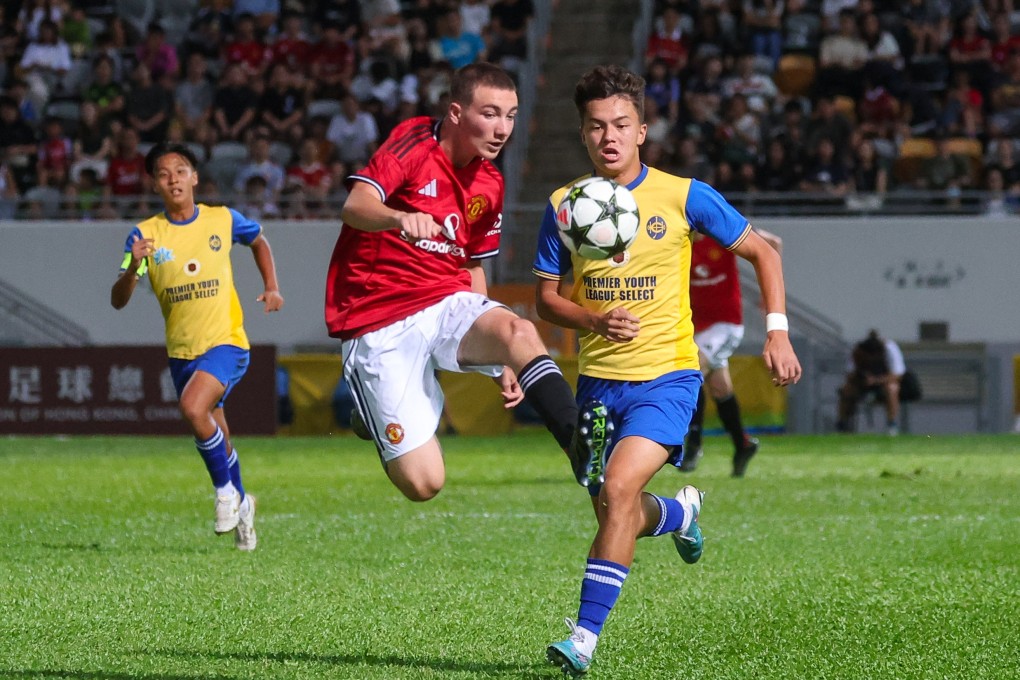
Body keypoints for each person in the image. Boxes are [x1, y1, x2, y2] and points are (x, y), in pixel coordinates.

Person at [531, 64, 801, 676]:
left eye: (620, 124)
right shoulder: (564, 206)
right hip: (598, 384)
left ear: (642, 130)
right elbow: (545, 298)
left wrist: (778, 333)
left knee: (618, 490)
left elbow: (763, 252)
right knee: (617, 509)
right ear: (582, 133)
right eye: (596, 126)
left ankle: (583, 639)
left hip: (669, 378)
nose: (609, 137)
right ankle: (679, 514)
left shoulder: (684, 196)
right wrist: (594, 319)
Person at [325, 62, 579, 504]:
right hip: (378, 316)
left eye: (511, 116)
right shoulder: (414, 141)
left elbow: (474, 265)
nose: (503, 129)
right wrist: (398, 217)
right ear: (457, 113)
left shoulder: (491, 182)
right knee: (424, 484)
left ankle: (579, 443)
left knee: (519, 333)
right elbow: (355, 205)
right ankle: (371, 413)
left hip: (446, 298)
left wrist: (499, 356)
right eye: (491, 114)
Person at [110, 142, 284, 551]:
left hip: (226, 342)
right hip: (182, 353)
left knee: (192, 408)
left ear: (194, 178)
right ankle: (244, 504)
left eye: (180, 170)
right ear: (155, 184)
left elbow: (259, 240)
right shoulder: (144, 235)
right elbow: (118, 299)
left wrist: (272, 286)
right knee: (218, 434)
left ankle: (224, 493)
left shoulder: (222, 219)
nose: (173, 179)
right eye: (163, 173)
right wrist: (133, 267)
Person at [680, 227, 783, 477]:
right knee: (719, 388)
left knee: (692, 369)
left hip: (725, 324)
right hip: (696, 327)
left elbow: (773, 243)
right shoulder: (680, 242)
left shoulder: (721, 234)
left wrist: (768, 291)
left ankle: (693, 442)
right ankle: (743, 444)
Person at [836, 329, 907, 436]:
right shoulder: (859, 350)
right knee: (846, 389)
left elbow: (897, 375)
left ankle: (891, 424)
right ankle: (842, 424)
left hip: (883, 383)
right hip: (862, 383)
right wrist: (862, 377)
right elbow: (849, 373)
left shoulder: (889, 349)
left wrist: (876, 380)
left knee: (892, 388)